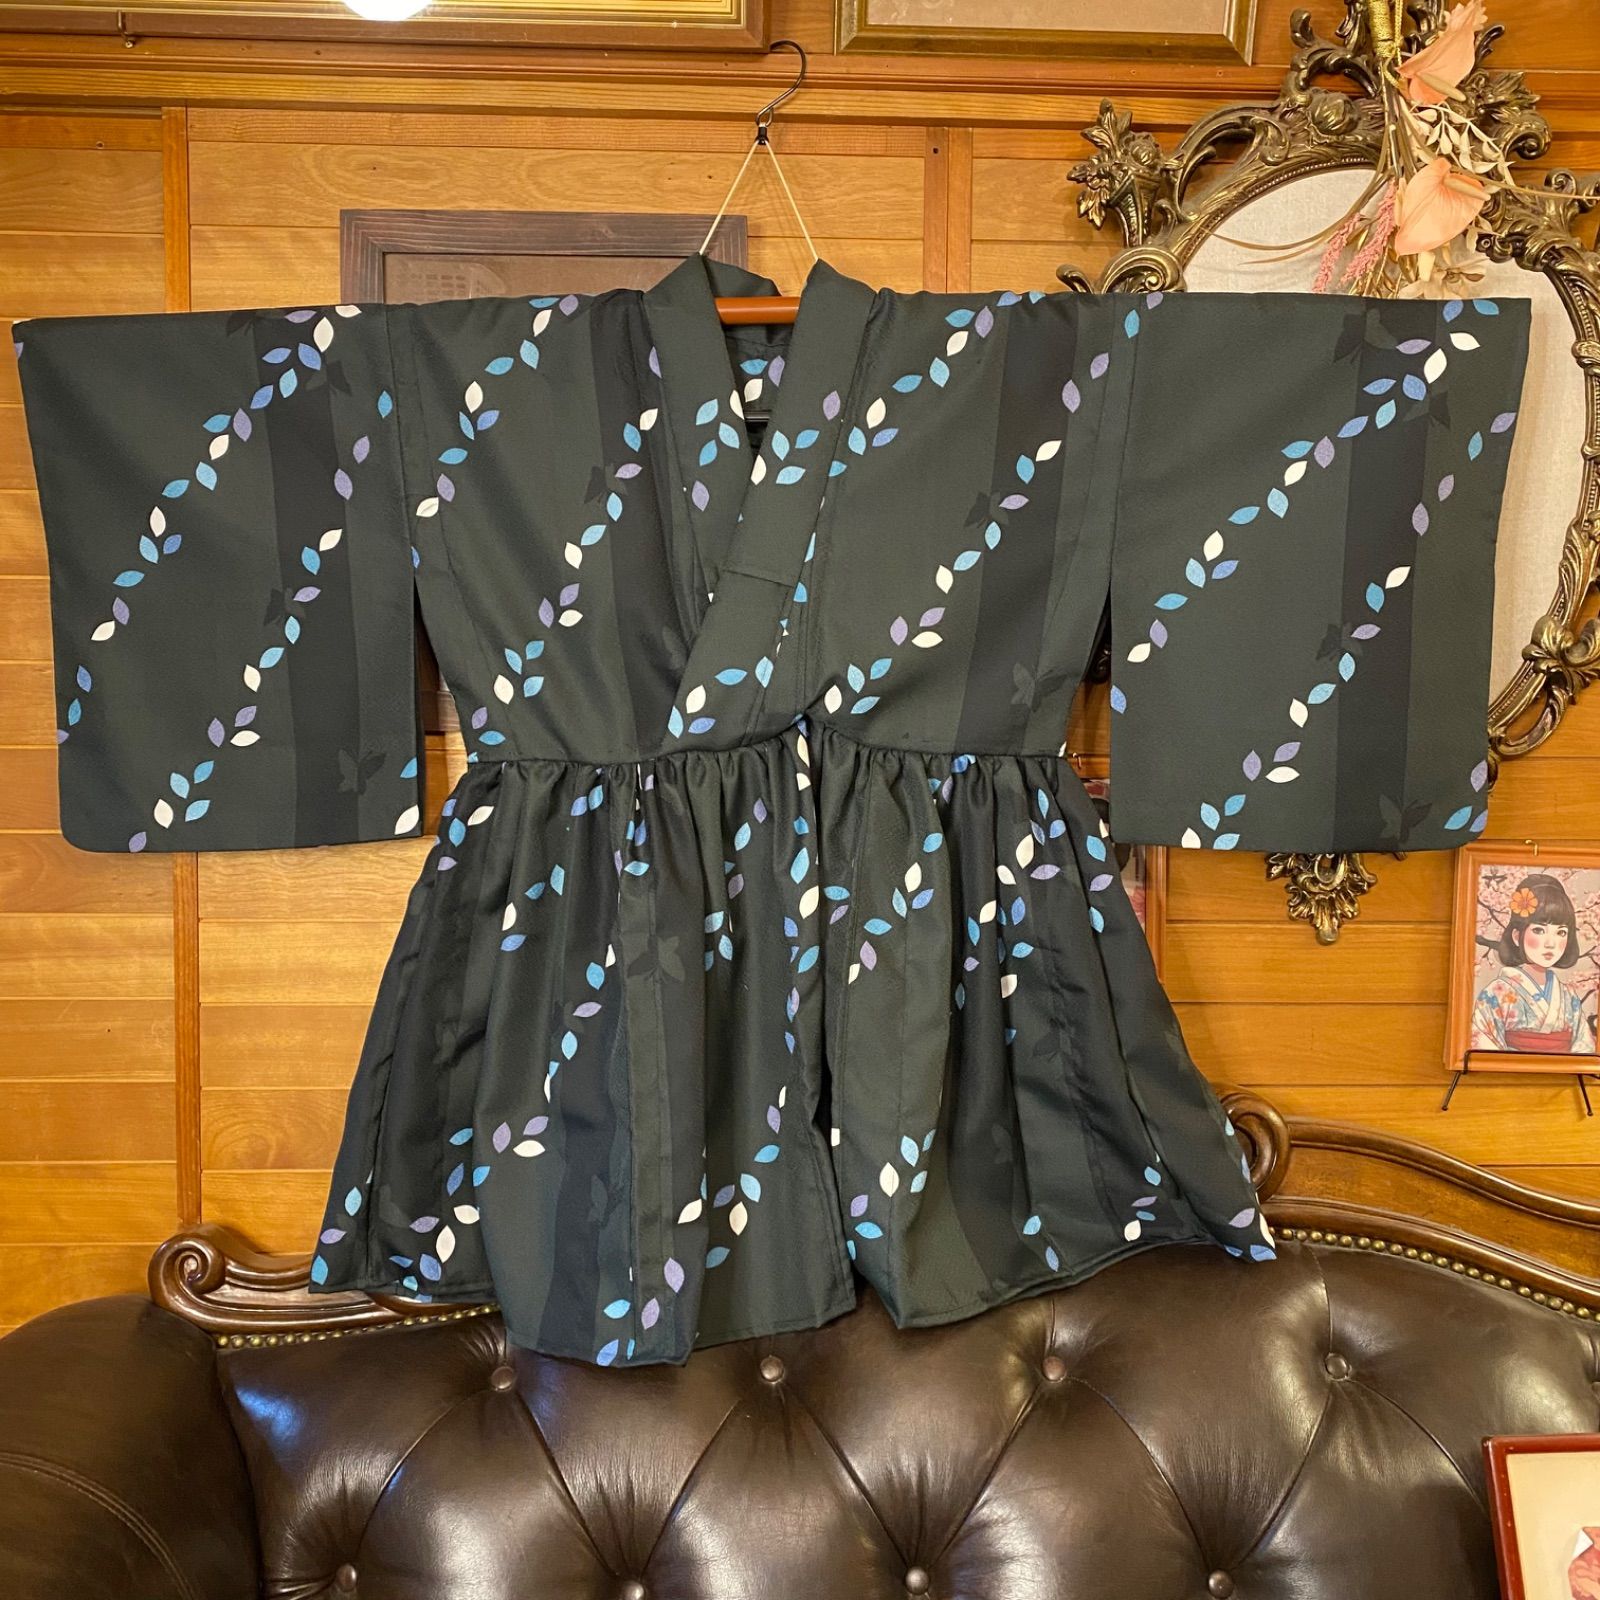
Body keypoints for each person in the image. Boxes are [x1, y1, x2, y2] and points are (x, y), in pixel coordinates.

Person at [1471, 873, 1595, 1054]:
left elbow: (1583, 1046)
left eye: (1561, 932)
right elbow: (1483, 1044)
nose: (1551, 943)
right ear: (1517, 936)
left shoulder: (1568, 996)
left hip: (1564, 1070)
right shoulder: (1496, 993)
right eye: (1539, 930)